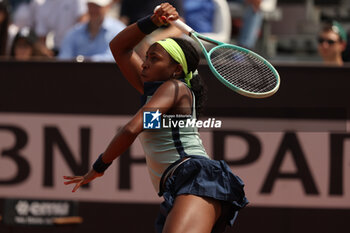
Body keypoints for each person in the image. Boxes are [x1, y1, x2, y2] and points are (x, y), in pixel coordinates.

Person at [63, 3, 248, 233]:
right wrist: (153, 21)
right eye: (146, 56)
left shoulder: (174, 88)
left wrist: (99, 166)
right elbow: (119, 47)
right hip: (181, 183)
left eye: (154, 58)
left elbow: (132, 129)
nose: (146, 62)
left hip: (195, 177)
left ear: (176, 70)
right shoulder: (156, 92)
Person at [58, 0, 125, 62]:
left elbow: (118, 57)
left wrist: (85, 60)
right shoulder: (73, 32)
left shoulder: (119, 30)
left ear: (107, 7)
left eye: (97, 6)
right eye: (90, 6)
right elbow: (64, 58)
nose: (93, 9)